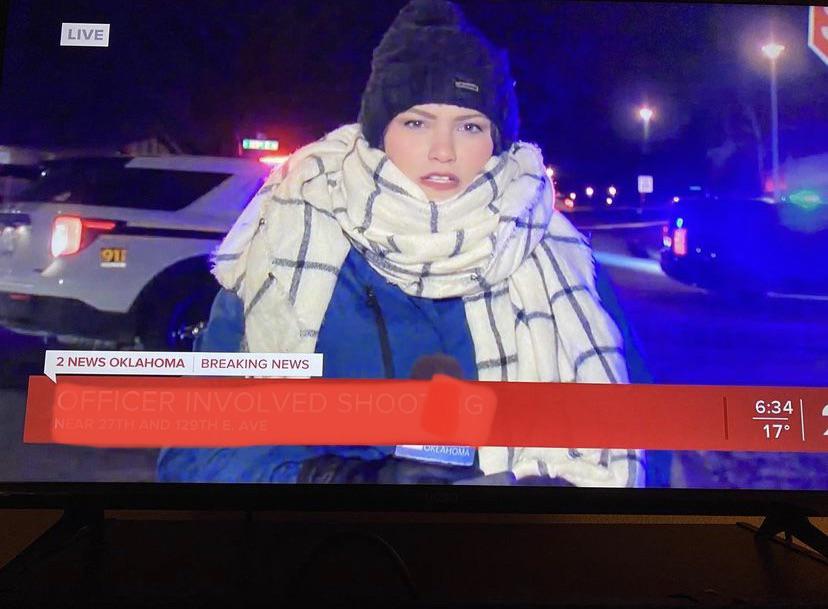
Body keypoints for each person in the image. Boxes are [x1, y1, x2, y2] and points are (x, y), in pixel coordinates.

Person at [157, 0, 645, 486]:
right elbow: (192, 452)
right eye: (416, 122)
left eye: (470, 126)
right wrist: (344, 480)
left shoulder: (560, 260)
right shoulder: (285, 247)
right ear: (380, 133)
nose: (443, 150)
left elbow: (643, 440)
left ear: (496, 142)